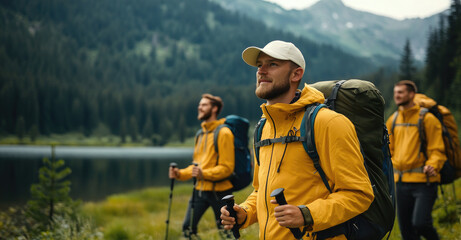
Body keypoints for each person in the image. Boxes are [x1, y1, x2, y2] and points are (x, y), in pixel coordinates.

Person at [220, 40, 374, 239]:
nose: (261, 71)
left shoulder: (328, 123)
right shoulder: (263, 127)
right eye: (259, 65)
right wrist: (246, 213)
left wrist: (307, 215)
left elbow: (359, 194)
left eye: (272, 64)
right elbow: (261, 191)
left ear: (296, 74)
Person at [386, 80, 445, 240]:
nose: (396, 95)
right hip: (401, 182)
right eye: (395, 92)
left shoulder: (428, 119)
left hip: (424, 181)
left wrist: (433, 165)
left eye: (401, 92)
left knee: (421, 224)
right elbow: (388, 150)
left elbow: (437, 149)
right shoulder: (393, 119)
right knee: (406, 231)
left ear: (412, 94)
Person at [169, 93, 235, 239]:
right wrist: (179, 173)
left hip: (221, 193)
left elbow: (227, 168)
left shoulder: (224, 133)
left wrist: (203, 174)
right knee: (187, 229)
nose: (199, 107)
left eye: (204, 105)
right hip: (199, 191)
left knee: (226, 233)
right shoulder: (200, 134)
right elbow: (196, 167)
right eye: (200, 104)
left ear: (214, 109)